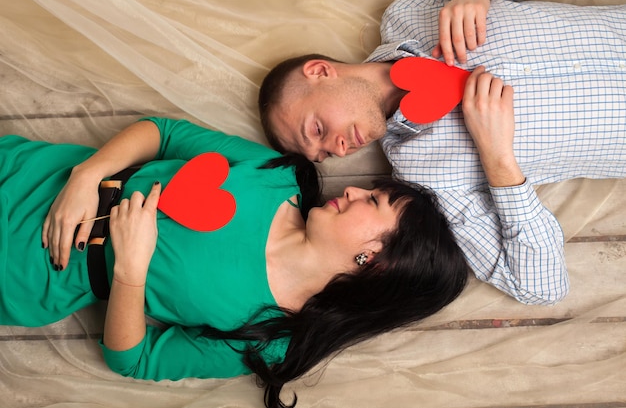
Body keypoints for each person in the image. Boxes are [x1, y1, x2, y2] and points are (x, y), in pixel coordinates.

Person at [0, 117, 468, 408]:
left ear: (375, 261)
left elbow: (132, 360)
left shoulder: (274, 339)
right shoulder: (280, 176)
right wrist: (88, 175)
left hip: (28, 271)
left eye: (373, 201)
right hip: (30, 169)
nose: (353, 190)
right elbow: (163, 133)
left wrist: (130, 272)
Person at [258, 0, 626, 306]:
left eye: (318, 129)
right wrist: (498, 160)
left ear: (320, 71)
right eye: (323, 154)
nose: (337, 149)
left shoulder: (410, 15)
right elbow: (542, 288)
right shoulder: (427, 176)